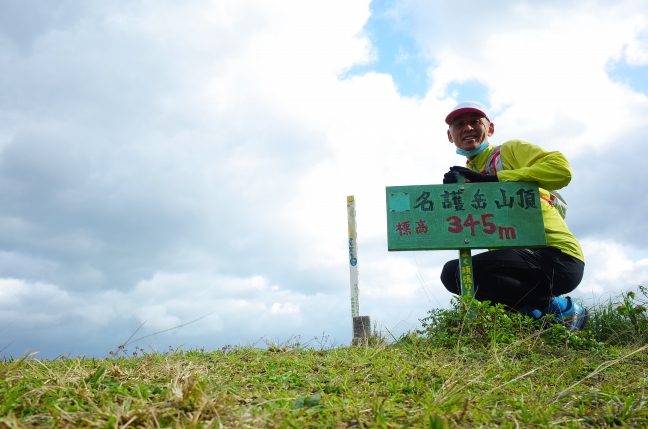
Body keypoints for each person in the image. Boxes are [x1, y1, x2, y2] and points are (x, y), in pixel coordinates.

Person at [439, 101, 588, 331]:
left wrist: (494, 180)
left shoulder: (508, 151)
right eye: (459, 124)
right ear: (450, 136)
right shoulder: (468, 176)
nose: (467, 128)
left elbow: (561, 170)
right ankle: (542, 325)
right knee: (456, 275)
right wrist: (460, 192)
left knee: (456, 271)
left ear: (490, 129)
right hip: (517, 265)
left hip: (558, 257)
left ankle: (564, 310)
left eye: (475, 122)